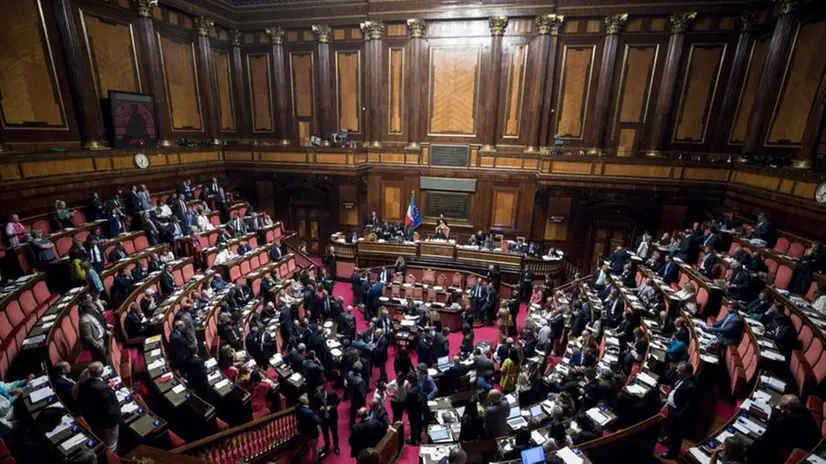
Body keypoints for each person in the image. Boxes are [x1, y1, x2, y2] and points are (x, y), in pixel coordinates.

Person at [746, 394, 820, 464]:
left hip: (793, 448)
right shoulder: (804, 411)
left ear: (787, 408)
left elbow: (771, 427)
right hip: (806, 442)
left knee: (762, 443)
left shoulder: (789, 420)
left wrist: (776, 410)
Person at [77, 362, 121, 452]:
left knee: (100, 439)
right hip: (108, 423)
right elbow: (111, 410)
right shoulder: (104, 389)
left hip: (92, 419)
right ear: (102, 372)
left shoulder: (83, 384)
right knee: (111, 446)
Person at [659, 362, 698, 459]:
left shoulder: (691, 386)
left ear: (688, 373)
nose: (677, 371)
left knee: (677, 434)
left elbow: (689, 404)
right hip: (672, 407)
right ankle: (668, 440)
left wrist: (679, 415)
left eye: (680, 370)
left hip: (678, 412)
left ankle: (672, 453)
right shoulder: (682, 378)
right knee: (671, 428)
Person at [313, 386, 341, 455]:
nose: (319, 397)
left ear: (323, 393)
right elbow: (314, 406)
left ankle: (336, 446)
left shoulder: (332, 394)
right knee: (325, 432)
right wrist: (319, 408)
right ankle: (327, 444)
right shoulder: (316, 397)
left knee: (334, 432)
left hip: (332, 417)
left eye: (320, 396)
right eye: (318, 396)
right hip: (323, 418)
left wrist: (332, 407)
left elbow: (338, 401)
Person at [295, 393, 321, 463]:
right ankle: (315, 460)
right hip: (312, 432)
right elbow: (318, 421)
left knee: (304, 444)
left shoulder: (297, 407)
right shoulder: (309, 412)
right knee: (314, 447)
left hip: (303, 430)